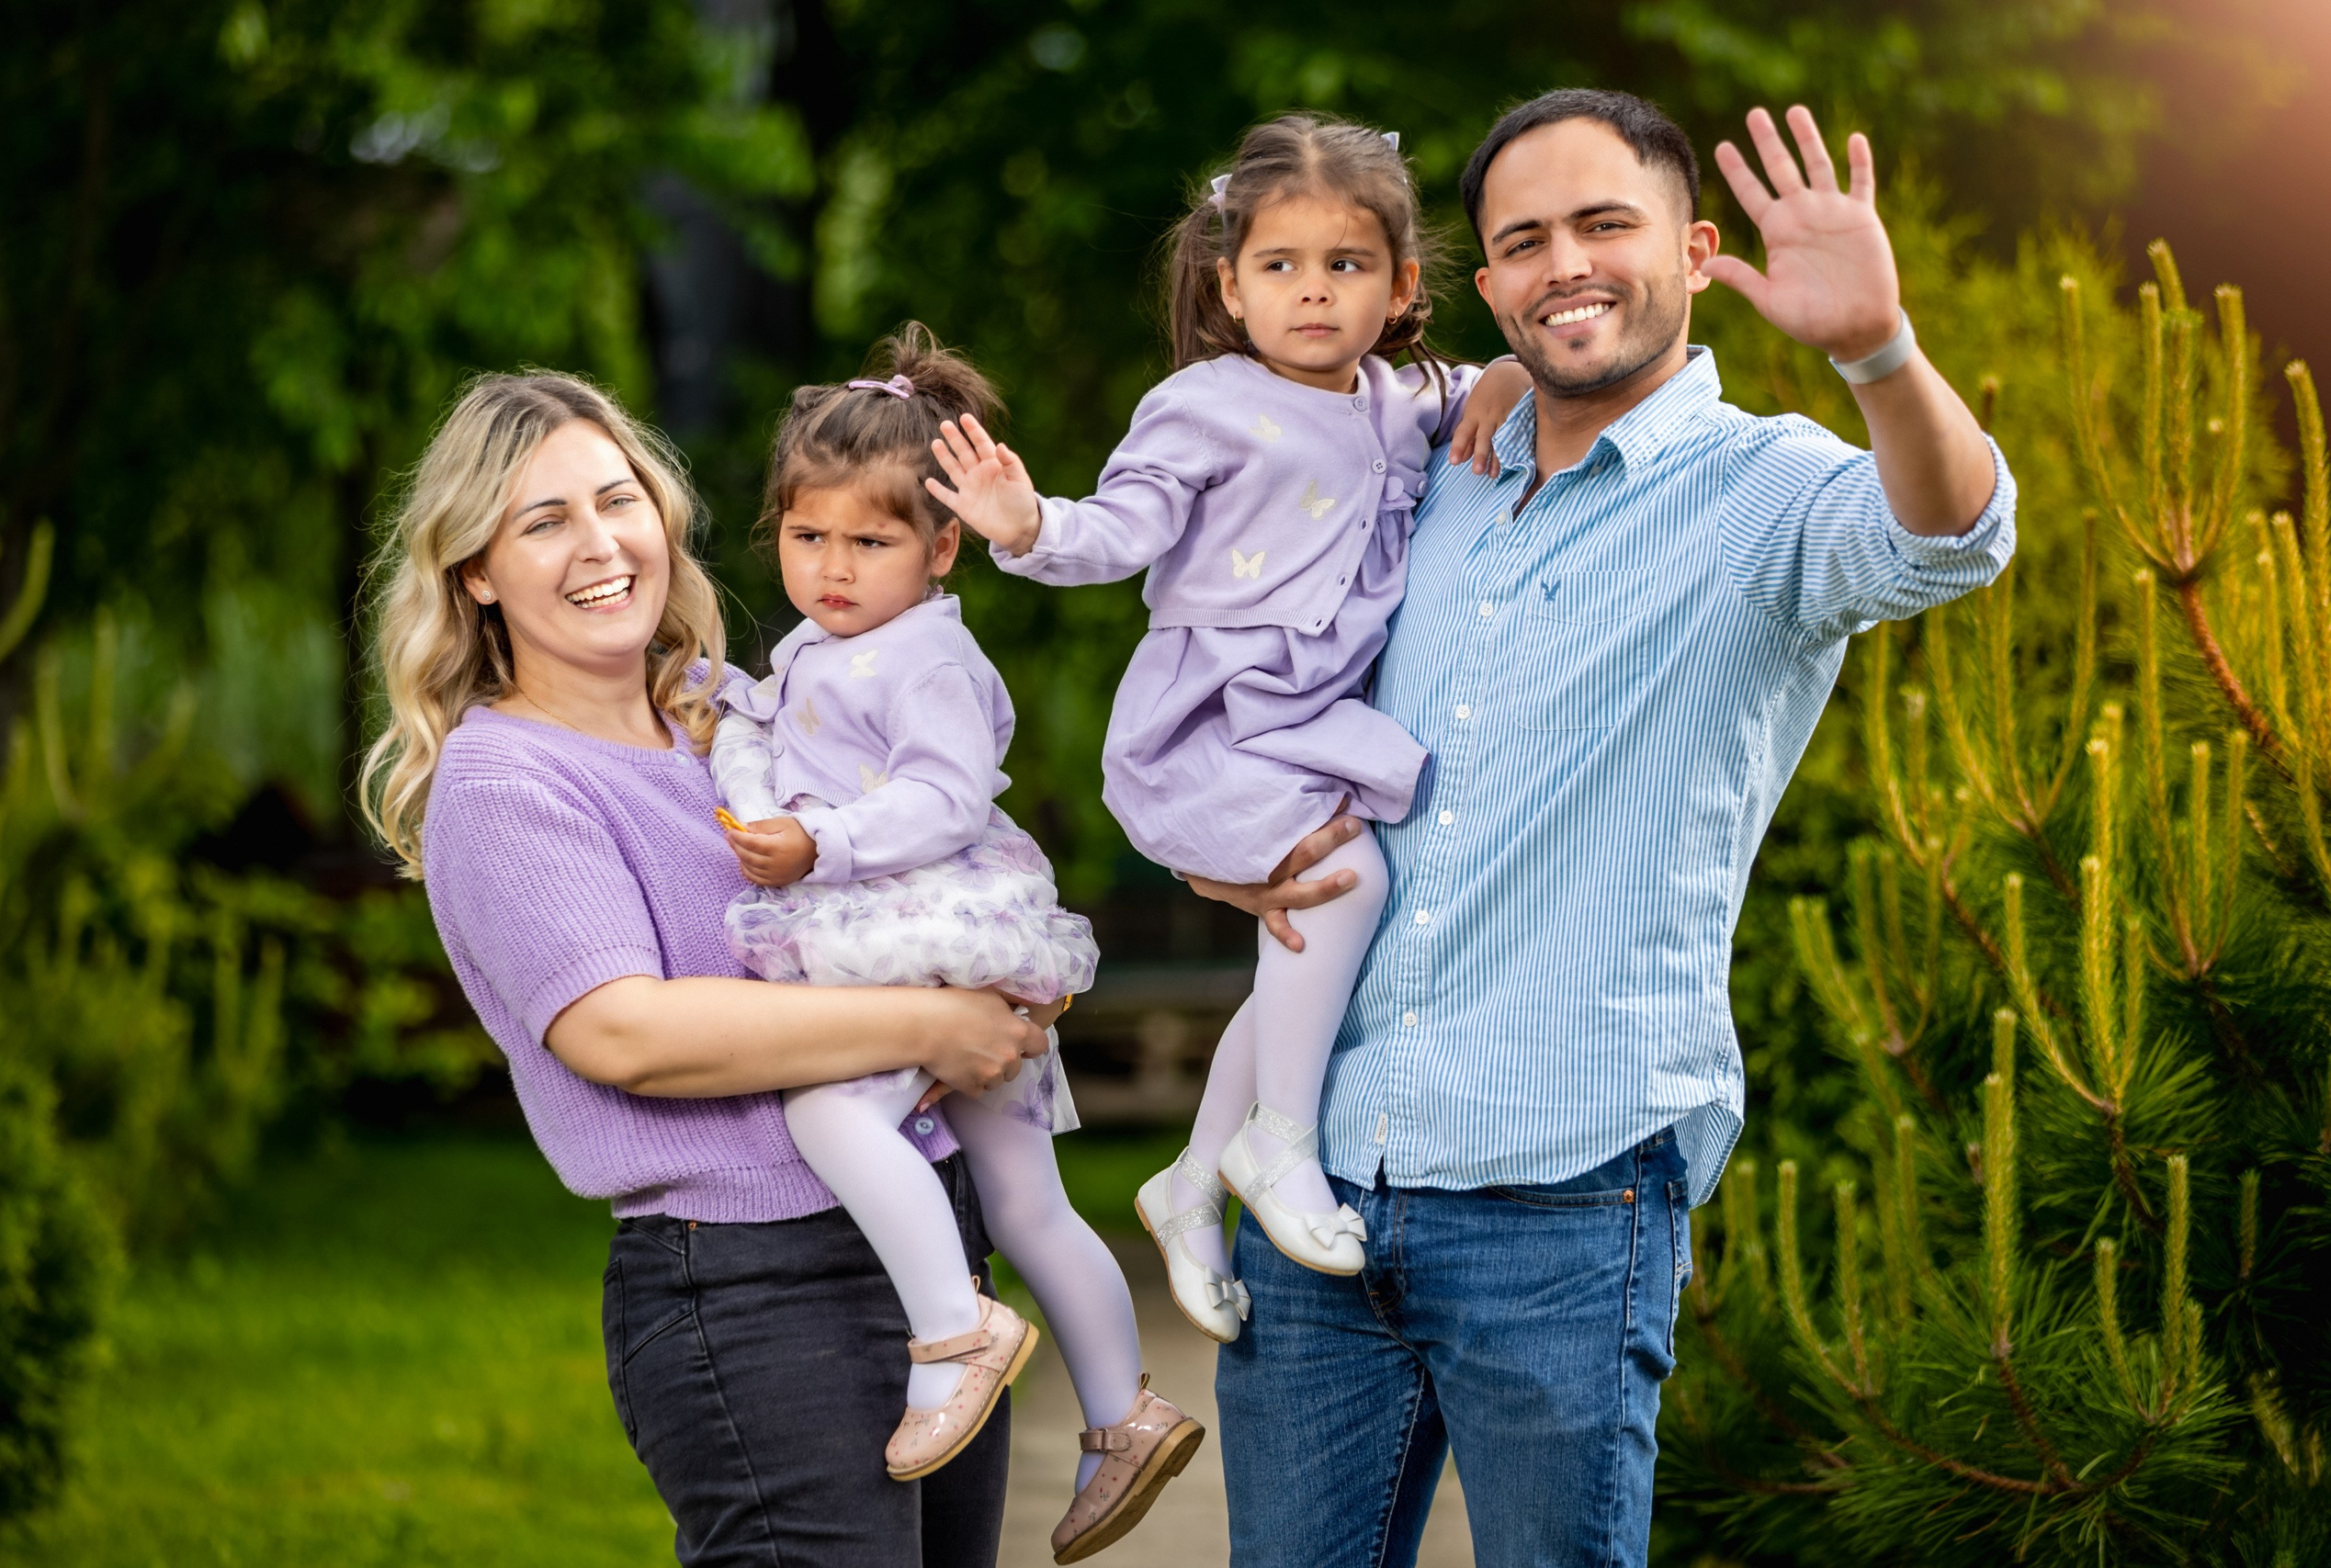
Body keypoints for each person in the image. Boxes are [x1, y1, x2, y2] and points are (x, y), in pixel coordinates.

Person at [1193, 91, 2019, 1566]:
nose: (1565, 263)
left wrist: (1876, 353)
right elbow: (1262, 651)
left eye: (1604, 225)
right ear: (1489, 284)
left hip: (1563, 1202)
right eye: (1525, 242)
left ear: (1694, 251)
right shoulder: (1433, 473)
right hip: (1320, 1181)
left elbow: (1952, 536)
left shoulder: (1770, 491)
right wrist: (1216, 830)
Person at [357, 369, 1053, 1568]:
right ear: (476, 571)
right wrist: (931, 1025)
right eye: (544, 520)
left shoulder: (735, 713)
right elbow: (624, 1033)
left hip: (925, 1242)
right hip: (750, 1288)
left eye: (615, 500)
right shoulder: (506, 783)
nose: (599, 543)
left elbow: (926, 853)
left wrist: (1017, 966)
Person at [927, 115, 1528, 1343]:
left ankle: (1194, 1180)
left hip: (1310, 723)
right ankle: (1281, 1149)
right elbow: (1122, 530)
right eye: (1281, 265)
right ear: (1230, 286)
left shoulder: (1407, 398)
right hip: (1211, 722)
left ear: (1402, 285)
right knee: (1346, 884)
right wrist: (1025, 520)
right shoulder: (1201, 406)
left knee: (1317, 925)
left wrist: (1512, 371)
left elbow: (1494, 393)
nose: (1314, 291)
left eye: (1347, 266)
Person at [708, 325, 1202, 1562]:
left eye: (868, 542)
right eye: (805, 535)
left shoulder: (926, 652)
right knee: (1025, 1203)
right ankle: (1122, 1414)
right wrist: (732, 740)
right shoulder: (821, 645)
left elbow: (943, 795)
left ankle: (954, 1332)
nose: (831, 566)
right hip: (926, 925)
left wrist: (821, 846)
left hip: (928, 925)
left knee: (832, 1114)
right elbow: (769, 738)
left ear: (940, 546)